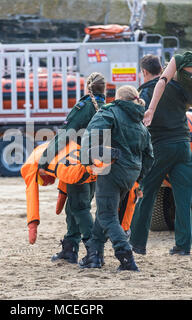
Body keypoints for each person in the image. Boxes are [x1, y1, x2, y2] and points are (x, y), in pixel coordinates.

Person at [130, 53, 192, 256]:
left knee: (146, 194)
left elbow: (137, 125)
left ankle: (137, 243)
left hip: (159, 148)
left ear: (144, 72)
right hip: (183, 146)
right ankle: (183, 245)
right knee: (183, 198)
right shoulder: (178, 87)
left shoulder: (144, 93)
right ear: (161, 68)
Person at [78, 85, 154, 271]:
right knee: (105, 212)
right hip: (130, 175)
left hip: (111, 170)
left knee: (107, 215)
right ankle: (93, 256)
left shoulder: (110, 112)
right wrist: (138, 177)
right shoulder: (140, 123)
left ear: (118, 99)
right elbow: (149, 156)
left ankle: (126, 257)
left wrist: (88, 159)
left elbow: (93, 134)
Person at [37, 72, 107, 264]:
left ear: (88, 88)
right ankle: (70, 249)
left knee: (79, 207)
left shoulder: (83, 107)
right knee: (73, 207)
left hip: (78, 163)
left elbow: (65, 135)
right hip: (99, 165)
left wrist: (44, 161)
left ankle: (94, 253)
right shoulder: (106, 108)